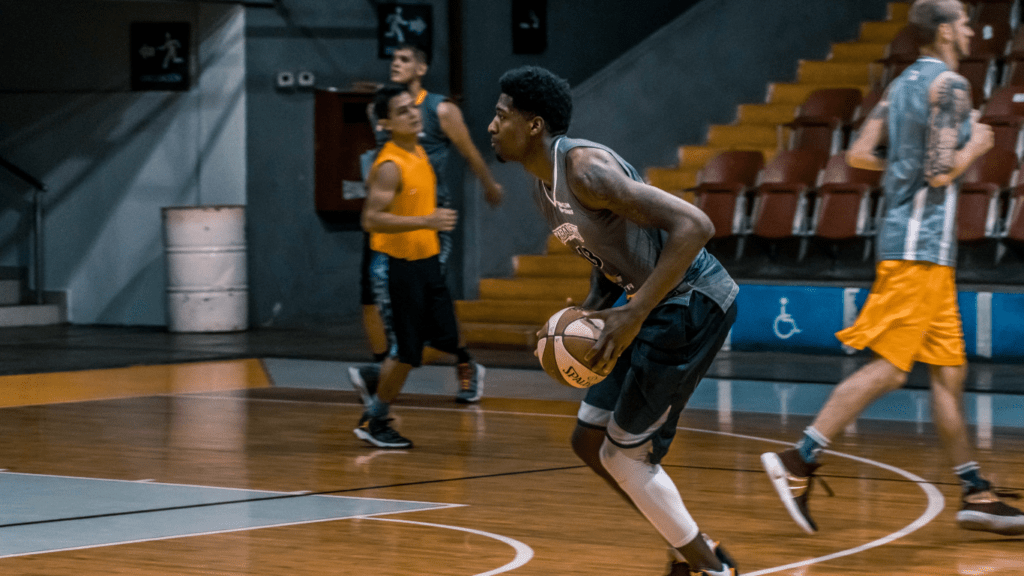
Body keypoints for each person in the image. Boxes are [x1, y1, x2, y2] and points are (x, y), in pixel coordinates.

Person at [761, 0, 1024, 537]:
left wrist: (901, 168)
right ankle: (799, 459)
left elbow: (858, 153)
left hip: (916, 250)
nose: (973, 30)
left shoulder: (900, 84)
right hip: (918, 251)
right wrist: (976, 144)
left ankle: (976, 492)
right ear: (946, 31)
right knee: (893, 368)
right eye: (967, 23)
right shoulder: (950, 87)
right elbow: (940, 173)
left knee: (949, 374)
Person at [488, 65, 740, 576]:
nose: (491, 125)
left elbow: (696, 225)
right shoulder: (544, 185)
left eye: (501, 115)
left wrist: (633, 313)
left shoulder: (585, 170)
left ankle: (713, 567)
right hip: (647, 307)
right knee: (588, 442)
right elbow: (608, 262)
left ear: (534, 125)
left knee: (625, 457)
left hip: (689, 304)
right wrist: (586, 314)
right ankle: (687, 542)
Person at [350, 42, 502, 405]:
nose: (395, 64)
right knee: (370, 299)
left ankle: (463, 364)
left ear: (421, 68)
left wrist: (489, 184)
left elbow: (468, 150)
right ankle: (380, 372)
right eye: (393, 58)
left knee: (431, 307)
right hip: (392, 213)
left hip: (428, 215)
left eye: (404, 59)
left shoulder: (437, 110)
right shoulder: (388, 109)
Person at [355, 83, 483, 449]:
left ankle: (374, 376)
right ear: (385, 124)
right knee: (406, 350)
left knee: (445, 337)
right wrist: (426, 222)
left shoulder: (419, 155)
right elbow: (371, 219)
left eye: (413, 108)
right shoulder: (390, 165)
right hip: (397, 266)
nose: (412, 114)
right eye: (402, 111)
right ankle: (375, 418)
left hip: (425, 264)